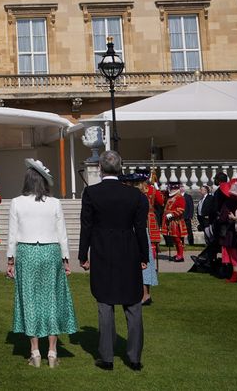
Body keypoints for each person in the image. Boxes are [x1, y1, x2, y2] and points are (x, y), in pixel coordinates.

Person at [78, 150, 148, 371]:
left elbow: (86, 226)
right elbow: (140, 229)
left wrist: (83, 255)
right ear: (120, 168)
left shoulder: (91, 193)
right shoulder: (136, 196)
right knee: (133, 305)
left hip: (102, 252)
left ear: (100, 167)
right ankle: (135, 357)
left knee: (105, 304)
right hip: (129, 251)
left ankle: (107, 356)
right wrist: (144, 256)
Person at [7, 159, 77, 368]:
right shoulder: (54, 203)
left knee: (29, 299)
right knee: (52, 298)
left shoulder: (17, 202)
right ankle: (53, 351)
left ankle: (35, 351)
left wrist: (10, 260)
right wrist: (66, 259)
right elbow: (61, 233)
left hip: (27, 251)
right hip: (51, 251)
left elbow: (13, 234)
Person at [122, 174, 158, 305]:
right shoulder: (139, 197)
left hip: (138, 232)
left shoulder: (137, 198)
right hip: (139, 231)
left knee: (143, 264)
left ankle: (144, 295)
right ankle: (144, 295)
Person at [162, 183, 187, 263]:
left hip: (176, 221)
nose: (171, 189)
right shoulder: (171, 196)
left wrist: (172, 214)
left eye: (173, 188)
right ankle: (178, 254)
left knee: (178, 239)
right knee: (174, 239)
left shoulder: (180, 197)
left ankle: (180, 255)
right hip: (170, 221)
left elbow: (181, 210)